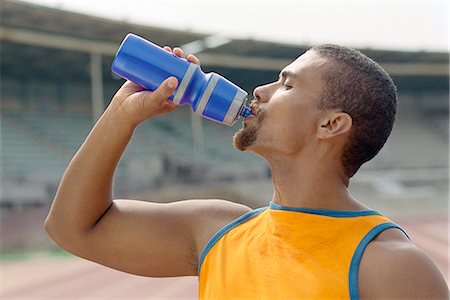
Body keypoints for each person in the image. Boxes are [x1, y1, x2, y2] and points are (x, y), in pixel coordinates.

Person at [45, 44, 449, 299]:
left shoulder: (392, 266)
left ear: (331, 125)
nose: (260, 91)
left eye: (286, 86)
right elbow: (71, 229)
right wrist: (122, 115)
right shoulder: (216, 228)